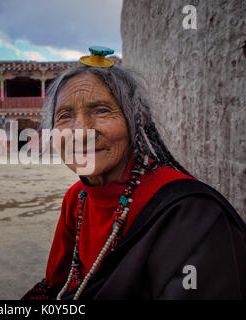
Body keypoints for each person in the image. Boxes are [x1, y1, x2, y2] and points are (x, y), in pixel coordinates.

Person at [22, 47, 246, 300]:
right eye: (65, 115)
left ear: (136, 121)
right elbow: (59, 286)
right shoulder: (77, 199)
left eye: (101, 110)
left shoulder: (192, 212)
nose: (81, 131)